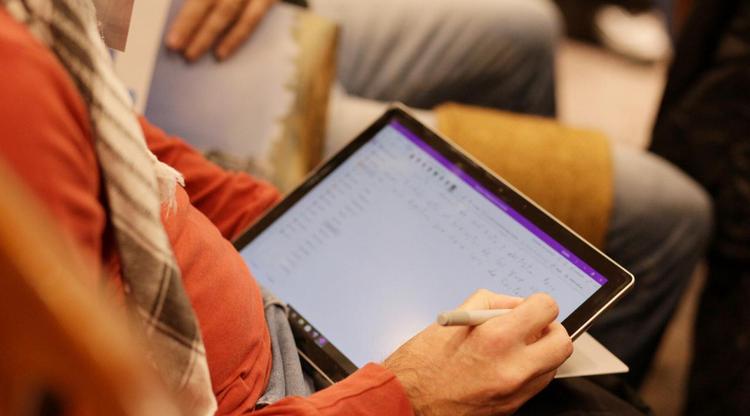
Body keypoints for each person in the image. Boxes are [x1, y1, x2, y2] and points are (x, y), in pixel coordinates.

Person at [0, 0, 709, 415]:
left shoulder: (42, 34)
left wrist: (309, 224)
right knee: (666, 225)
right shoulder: (18, 86)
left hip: (266, 301)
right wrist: (410, 394)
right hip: (281, 392)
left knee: (523, 31)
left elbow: (134, 152)